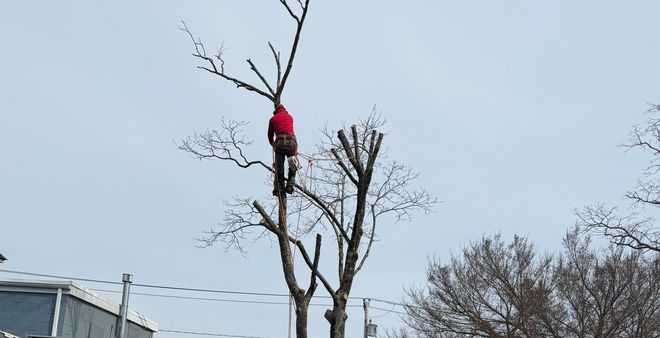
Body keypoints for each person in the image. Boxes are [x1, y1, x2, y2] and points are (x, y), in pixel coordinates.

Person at [268, 104, 298, 196]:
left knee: (279, 167)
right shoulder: (290, 117)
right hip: (291, 142)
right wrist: (295, 151)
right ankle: (290, 185)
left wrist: (273, 144)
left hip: (279, 143)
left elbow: (270, 135)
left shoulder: (273, 119)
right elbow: (290, 131)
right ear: (285, 110)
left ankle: (278, 189)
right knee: (292, 165)